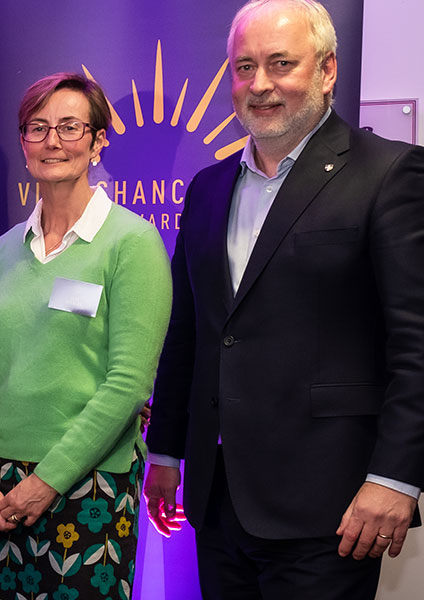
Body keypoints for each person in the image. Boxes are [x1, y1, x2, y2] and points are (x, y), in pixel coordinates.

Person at [143, 1, 424, 598]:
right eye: (244, 68)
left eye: (280, 64)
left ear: (326, 72)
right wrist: (166, 447)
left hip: (336, 508)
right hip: (219, 503)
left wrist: (396, 478)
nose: (259, 85)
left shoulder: (389, 173)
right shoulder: (208, 188)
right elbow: (190, 331)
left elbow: (417, 342)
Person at [0, 73, 172, 599]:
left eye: (70, 127)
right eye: (38, 127)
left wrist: (46, 482)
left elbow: (129, 384)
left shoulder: (132, 243)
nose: (53, 141)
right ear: (23, 142)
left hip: (87, 487)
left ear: (97, 142)